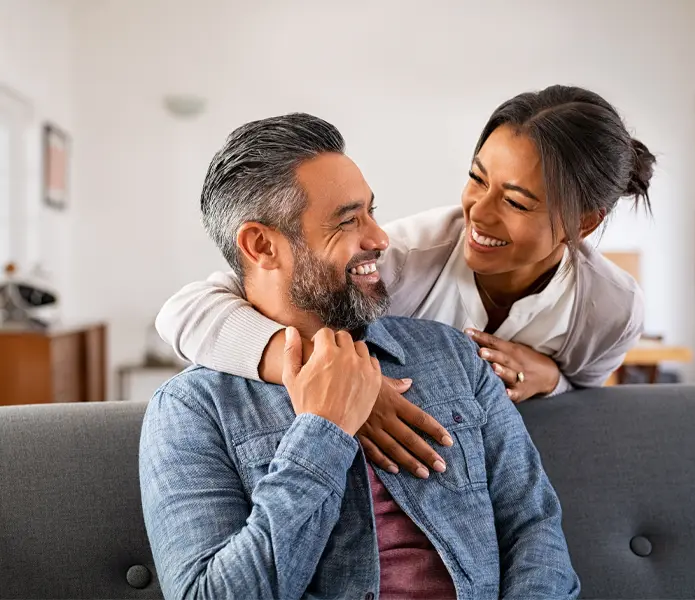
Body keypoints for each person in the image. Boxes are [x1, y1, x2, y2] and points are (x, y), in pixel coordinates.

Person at [139, 113, 579, 600]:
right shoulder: (192, 409)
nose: (380, 238)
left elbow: (534, 527)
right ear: (262, 245)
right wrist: (322, 432)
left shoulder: (454, 355)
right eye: (349, 220)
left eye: (372, 211)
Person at [156, 85, 654, 479]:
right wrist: (336, 378)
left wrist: (552, 379)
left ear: (583, 224)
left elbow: (586, 400)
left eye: (516, 201)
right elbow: (186, 310)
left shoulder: (610, 309)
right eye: (477, 178)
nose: (477, 213)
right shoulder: (403, 258)